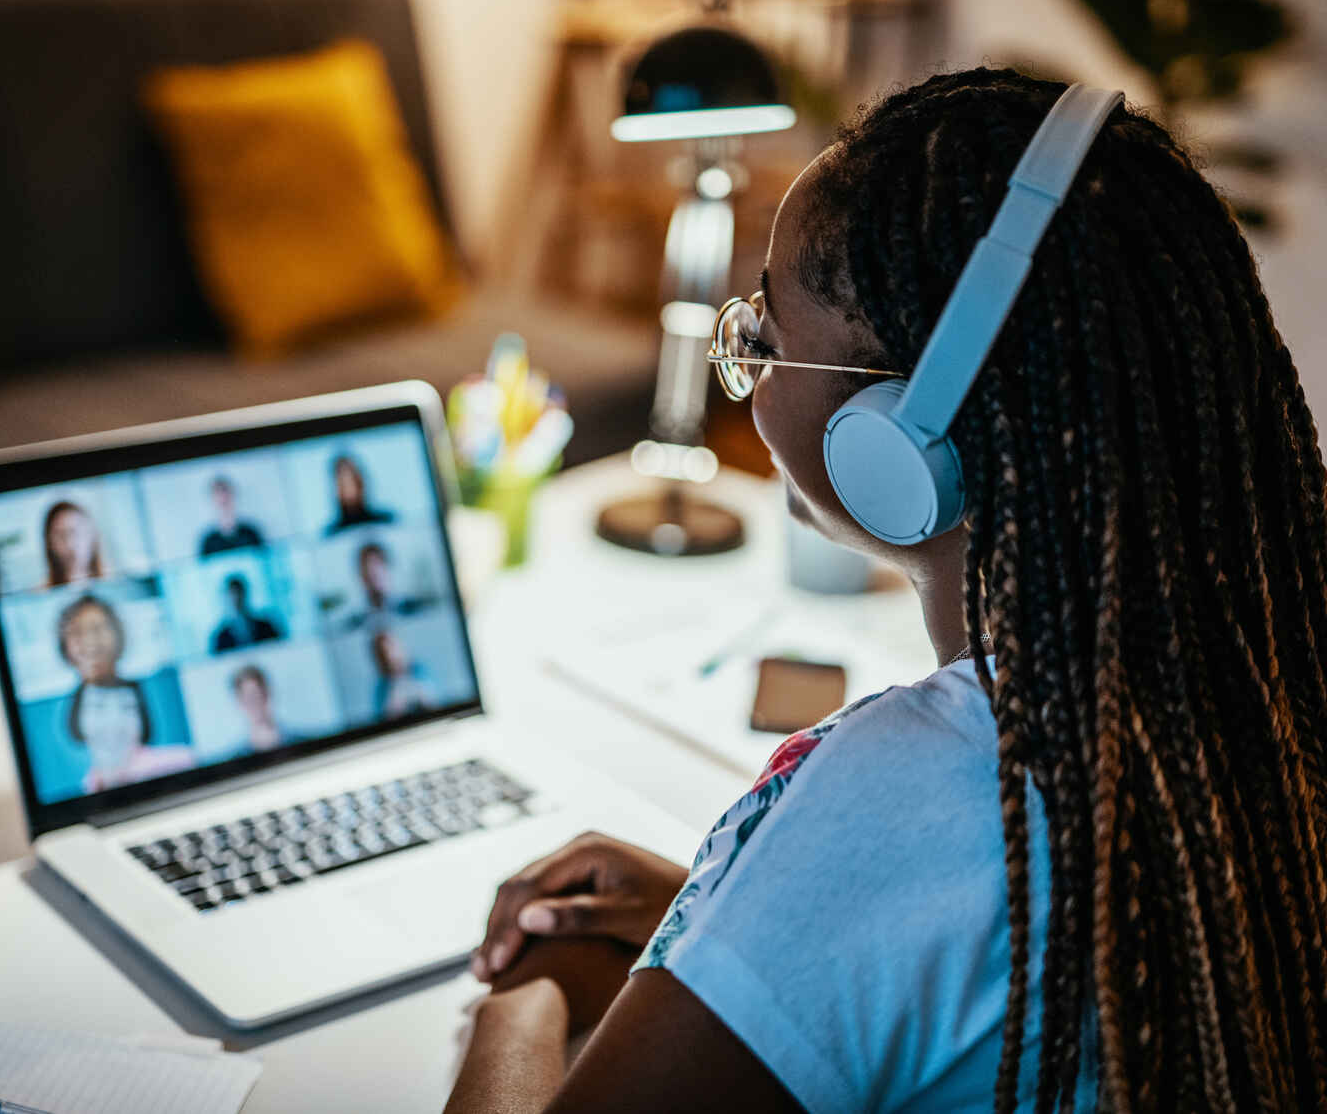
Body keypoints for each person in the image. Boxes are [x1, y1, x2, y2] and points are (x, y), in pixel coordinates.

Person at [446, 70, 1327, 1113]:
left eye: (764, 339)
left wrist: (537, 991)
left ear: (905, 439)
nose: (750, 369)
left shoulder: (915, 787)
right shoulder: (1266, 694)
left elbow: (912, 881)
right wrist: (734, 931)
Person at [57, 594, 193, 793]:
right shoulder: (89, 786)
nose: (90, 641)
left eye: (98, 629)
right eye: (78, 632)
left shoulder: (180, 761)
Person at [369, 631, 435, 718]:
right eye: (384, 653)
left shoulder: (419, 669)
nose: (390, 656)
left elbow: (433, 702)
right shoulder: (381, 688)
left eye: (392, 648)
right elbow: (382, 718)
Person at [209, 574, 281, 654]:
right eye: (232, 595)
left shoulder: (266, 626)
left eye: (239, 593)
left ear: (245, 594)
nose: (236, 599)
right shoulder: (221, 637)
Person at [325, 454, 394, 534]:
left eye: (351, 481)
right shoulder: (332, 535)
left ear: (360, 482)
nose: (349, 489)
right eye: (343, 484)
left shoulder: (385, 523)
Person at [42, 500, 104, 587]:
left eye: (76, 532)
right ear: (50, 544)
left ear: (91, 535)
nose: (70, 544)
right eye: (61, 535)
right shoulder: (41, 593)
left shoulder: (115, 582)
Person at [198, 476, 264, 557]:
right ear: (213, 501)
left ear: (233, 496)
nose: (223, 498)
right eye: (218, 496)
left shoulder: (251, 533)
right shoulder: (208, 542)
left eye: (226, 495)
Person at [230, 665, 285, 753]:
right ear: (240, 703)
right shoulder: (236, 755)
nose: (256, 703)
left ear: (268, 693)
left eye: (259, 695)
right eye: (249, 698)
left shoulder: (301, 740)